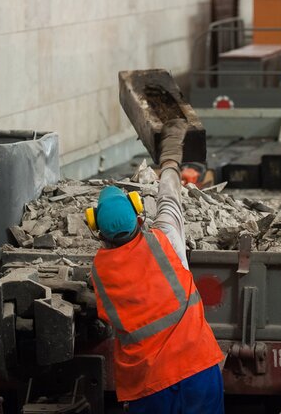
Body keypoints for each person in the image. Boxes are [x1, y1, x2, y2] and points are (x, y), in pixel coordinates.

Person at [87, 118, 225, 413]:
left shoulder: (99, 273)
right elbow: (169, 198)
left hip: (148, 385)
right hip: (197, 368)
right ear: (139, 216)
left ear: (97, 231)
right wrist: (170, 157)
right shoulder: (166, 240)